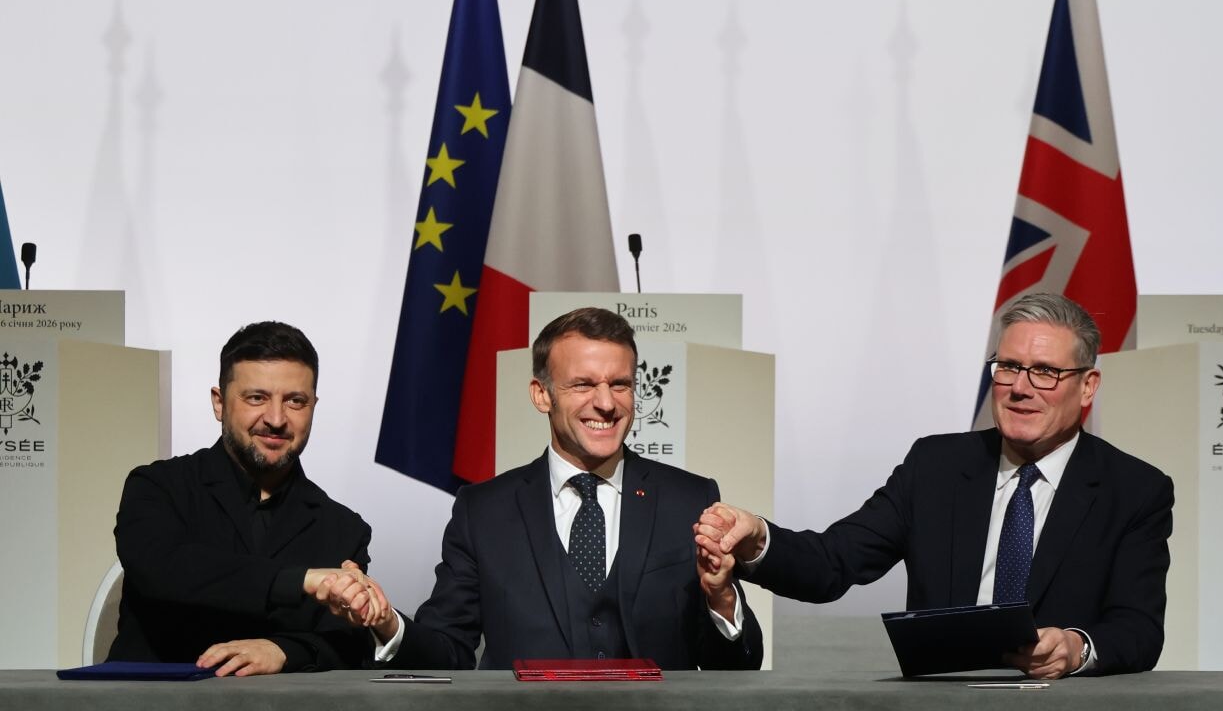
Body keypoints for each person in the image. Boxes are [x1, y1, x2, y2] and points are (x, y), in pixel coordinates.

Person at [696, 292, 1173, 678]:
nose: (1020, 387)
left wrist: (1077, 647)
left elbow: (1139, 629)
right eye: (1008, 366)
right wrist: (758, 537)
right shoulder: (936, 467)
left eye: (1045, 372)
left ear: (1088, 386)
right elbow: (832, 563)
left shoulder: (1135, 490)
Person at [317, 307, 763, 670]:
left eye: (620, 384)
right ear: (541, 395)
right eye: (583, 384)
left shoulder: (689, 500)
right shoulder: (483, 510)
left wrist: (722, 599)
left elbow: (736, 666)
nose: (606, 403)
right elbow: (447, 652)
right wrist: (387, 624)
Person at [109, 321, 384, 676]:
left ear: (313, 407)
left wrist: (284, 651)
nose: (276, 419)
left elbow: (348, 642)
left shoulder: (344, 529)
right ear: (219, 403)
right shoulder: (157, 487)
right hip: (151, 698)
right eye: (256, 398)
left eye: (295, 401)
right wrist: (299, 580)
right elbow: (164, 571)